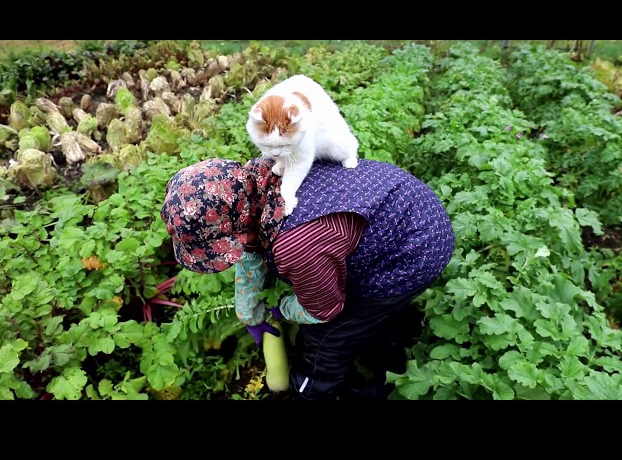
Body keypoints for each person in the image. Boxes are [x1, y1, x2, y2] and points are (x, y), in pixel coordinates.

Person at [160, 156, 455, 400]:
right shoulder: (261, 177)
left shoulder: (296, 244)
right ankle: (386, 350)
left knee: (325, 338)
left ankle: (316, 391)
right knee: (377, 320)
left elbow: (323, 310)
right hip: (404, 205)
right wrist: (249, 311)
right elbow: (250, 248)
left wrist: (283, 310)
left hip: (414, 249)